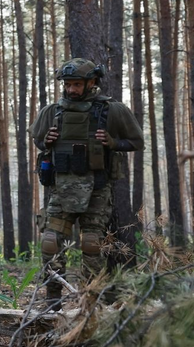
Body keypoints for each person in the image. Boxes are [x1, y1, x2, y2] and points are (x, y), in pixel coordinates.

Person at [29, 58, 143, 303]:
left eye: (77, 84)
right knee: (50, 242)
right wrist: (46, 141)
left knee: (92, 244)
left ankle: (91, 302)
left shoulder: (112, 110)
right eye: (67, 84)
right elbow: (37, 140)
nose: (71, 89)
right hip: (61, 189)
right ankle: (53, 301)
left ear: (92, 82)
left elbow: (137, 142)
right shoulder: (52, 111)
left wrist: (113, 142)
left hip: (97, 189)